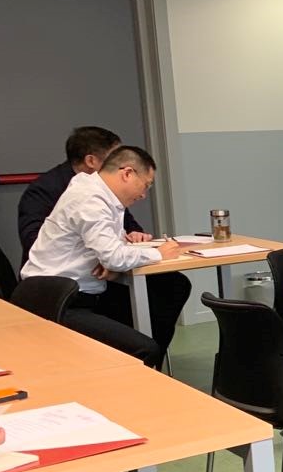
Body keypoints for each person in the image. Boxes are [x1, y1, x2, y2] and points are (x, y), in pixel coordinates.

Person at [21, 145, 190, 368]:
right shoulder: (90, 199)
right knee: (144, 348)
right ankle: (139, 376)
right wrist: (158, 253)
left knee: (171, 285)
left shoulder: (98, 192)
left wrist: (113, 255)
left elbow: (108, 251)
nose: (143, 195)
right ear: (127, 173)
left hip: (78, 288)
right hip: (59, 300)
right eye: (146, 185)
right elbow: (113, 257)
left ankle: (145, 368)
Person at [18, 126, 146, 262]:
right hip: (61, 272)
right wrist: (101, 258)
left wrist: (135, 236)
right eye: (115, 160)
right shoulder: (43, 190)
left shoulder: (106, 187)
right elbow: (35, 244)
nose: (122, 166)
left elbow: (128, 226)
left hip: (105, 265)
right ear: (91, 161)